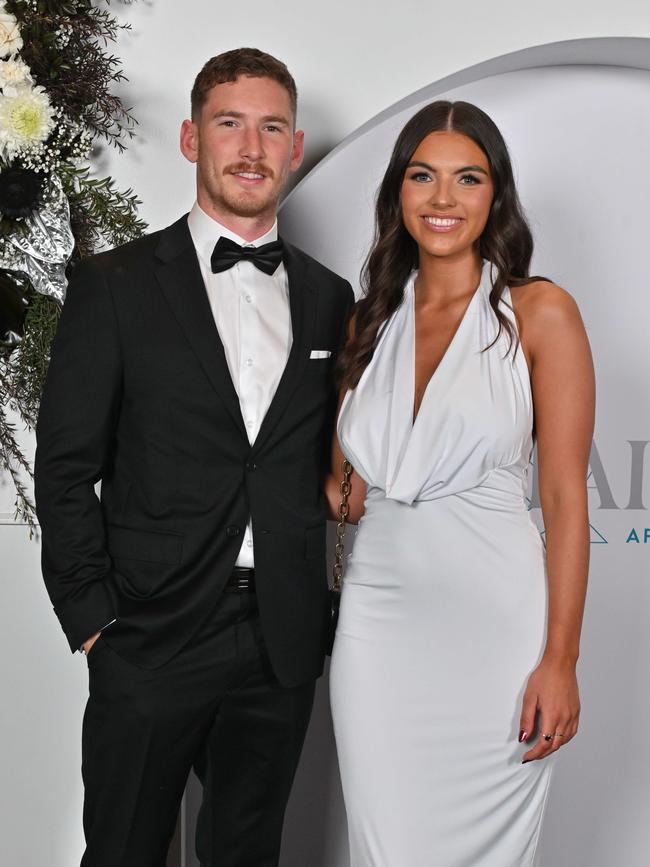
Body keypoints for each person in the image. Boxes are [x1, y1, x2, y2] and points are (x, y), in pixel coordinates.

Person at [34, 47, 353, 867]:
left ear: (295, 145)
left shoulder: (329, 297)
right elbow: (67, 464)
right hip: (148, 630)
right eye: (230, 124)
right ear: (190, 139)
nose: (251, 148)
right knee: (123, 852)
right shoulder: (115, 284)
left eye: (271, 127)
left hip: (279, 637)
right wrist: (95, 620)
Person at [326, 100, 594, 866]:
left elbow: (566, 501)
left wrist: (561, 659)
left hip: (497, 636)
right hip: (378, 630)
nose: (443, 200)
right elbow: (344, 491)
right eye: (423, 177)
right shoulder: (366, 324)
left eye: (466, 178)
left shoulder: (541, 314)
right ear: (398, 194)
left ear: (495, 195)